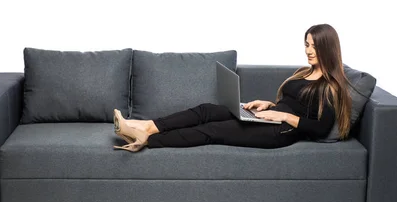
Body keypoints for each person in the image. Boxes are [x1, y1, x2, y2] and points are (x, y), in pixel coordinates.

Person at [113, 23, 353, 152]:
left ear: (327, 48)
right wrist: (269, 104)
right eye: (306, 44)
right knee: (207, 110)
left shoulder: (330, 87)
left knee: (214, 130)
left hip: (279, 132)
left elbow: (321, 129)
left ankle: (147, 140)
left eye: (314, 46)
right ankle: (147, 125)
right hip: (268, 118)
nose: (308, 51)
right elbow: (296, 101)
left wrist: (283, 115)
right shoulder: (305, 72)